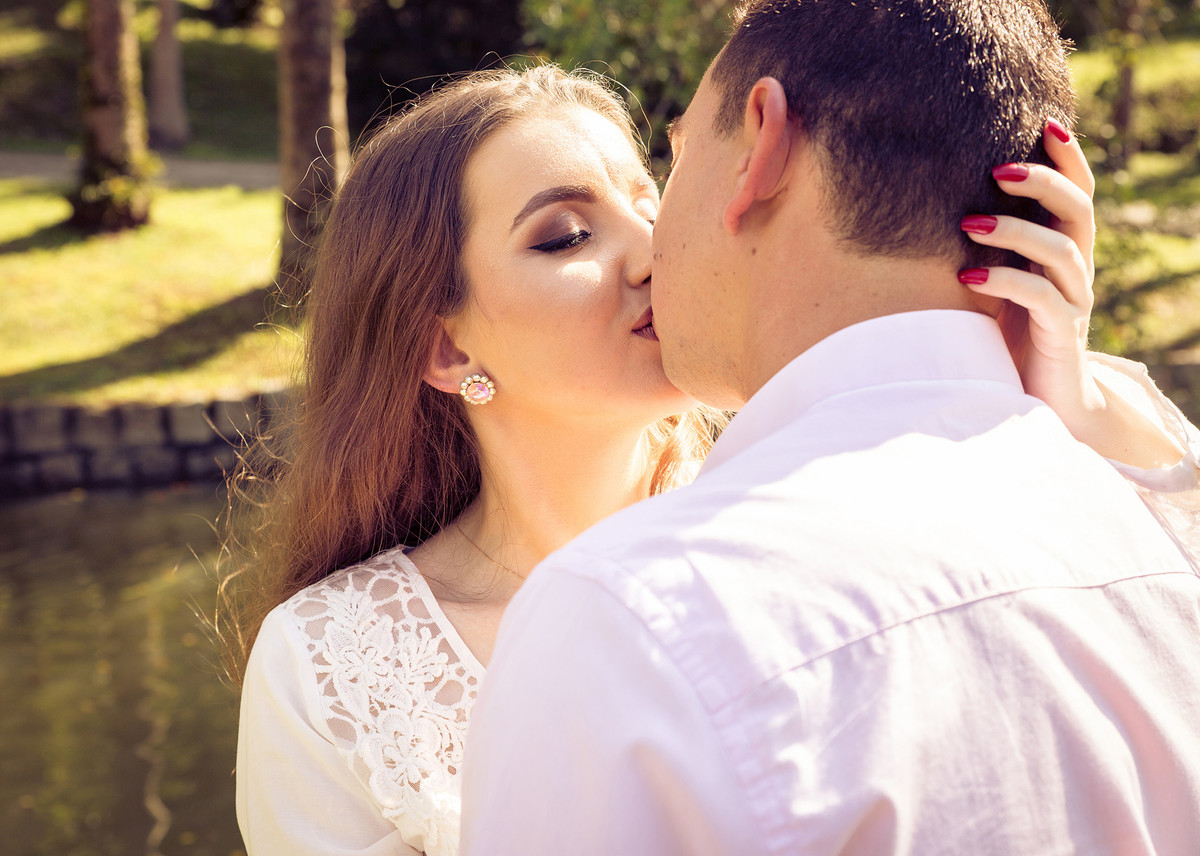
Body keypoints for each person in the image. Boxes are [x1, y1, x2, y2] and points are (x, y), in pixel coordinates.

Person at [229, 65, 1196, 856]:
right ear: (447, 349)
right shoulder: (331, 665)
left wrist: (1060, 389)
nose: (652, 253)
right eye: (565, 234)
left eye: (653, 201)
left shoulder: (832, 532)